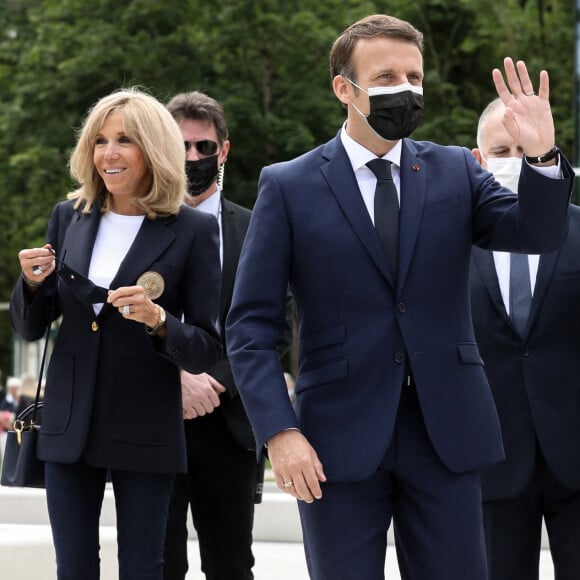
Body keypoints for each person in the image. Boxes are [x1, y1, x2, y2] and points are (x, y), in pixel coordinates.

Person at [225, 13, 575, 580]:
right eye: (386, 77)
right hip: (334, 440)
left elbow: (536, 235)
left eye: (414, 76)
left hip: (448, 433)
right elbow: (251, 325)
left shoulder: (456, 170)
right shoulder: (288, 185)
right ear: (345, 88)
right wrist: (279, 431)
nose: (406, 90)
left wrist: (540, 158)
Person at [9, 87, 222, 580]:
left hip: (145, 424)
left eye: (124, 140)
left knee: (145, 568)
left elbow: (207, 347)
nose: (109, 153)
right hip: (67, 425)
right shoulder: (69, 217)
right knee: (74, 568)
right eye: (100, 140)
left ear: (153, 148)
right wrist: (32, 284)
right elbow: (29, 328)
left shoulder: (191, 230)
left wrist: (160, 321)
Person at [163, 91, 292, 580]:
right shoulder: (133, 224)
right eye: (181, 146)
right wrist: (174, 380)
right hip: (153, 421)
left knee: (232, 566)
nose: (193, 157)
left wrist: (210, 381)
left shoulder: (260, 226)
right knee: (155, 563)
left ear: (225, 150)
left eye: (204, 146)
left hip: (232, 422)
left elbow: (276, 326)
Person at [470, 98, 580, 580]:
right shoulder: (448, 239)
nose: (514, 159)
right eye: (501, 149)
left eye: (524, 147)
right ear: (478, 159)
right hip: (490, 460)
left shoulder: (578, 229)